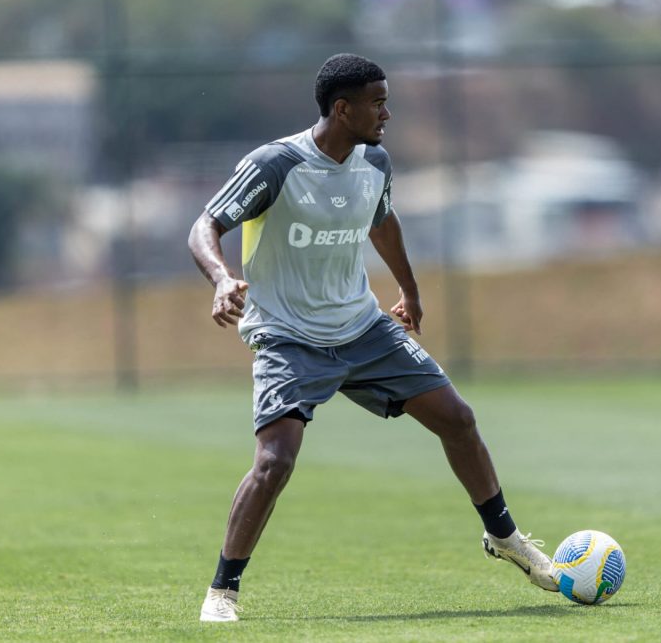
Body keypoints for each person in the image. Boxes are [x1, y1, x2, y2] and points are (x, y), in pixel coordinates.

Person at [188, 53, 558, 623]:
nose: (387, 113)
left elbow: (382, 221)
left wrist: (408, 289)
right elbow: (205, 225)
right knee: (276, 462)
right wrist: (220, 279)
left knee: (457, 418)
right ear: (343, 108)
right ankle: (222, 592)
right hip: (288, 337)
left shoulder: (375, 162)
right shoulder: (275, 165)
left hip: (363, 328)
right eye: (377, 102)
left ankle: (504, 537)